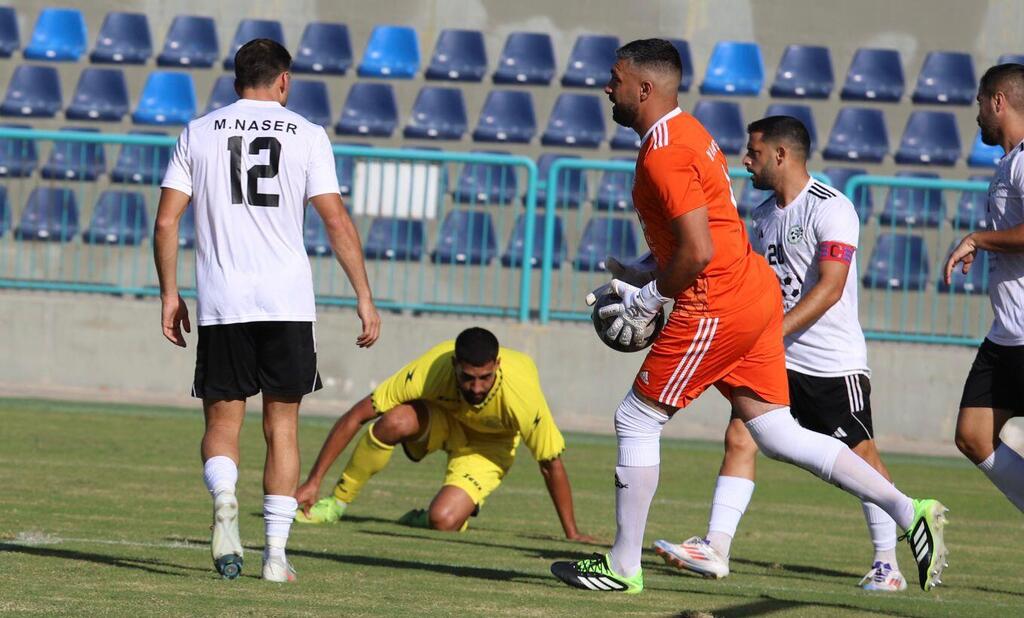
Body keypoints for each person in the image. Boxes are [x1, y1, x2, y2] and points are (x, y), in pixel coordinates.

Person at [549, 38, 948, 595]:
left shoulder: (664, 152)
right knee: (776, 433)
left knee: (636, 420)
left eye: (614, 79)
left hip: (715, 301)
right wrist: (642, 268)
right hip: (751, 293)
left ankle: (622, 565)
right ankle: (911, 511)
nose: (606, 88)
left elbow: (697, 252)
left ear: (643, 88)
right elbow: (703, 230)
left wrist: (649, 298)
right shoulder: (688, 133)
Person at [153, 38, 381, 583]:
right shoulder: (306, 134)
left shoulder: (199, 132)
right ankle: (275, 556)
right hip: (286, 301)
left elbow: (166, 222)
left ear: (236, 82)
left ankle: (225, 498)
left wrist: (169, 293)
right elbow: (335, 221)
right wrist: (363, 296)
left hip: (224, 299)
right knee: (282, 426)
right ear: (283, 82)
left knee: (222, 421)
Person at [653, 115, 906, 591]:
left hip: (832, 360)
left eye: (753, 152)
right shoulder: (763, 214)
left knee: (862, 455)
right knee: (740, 436)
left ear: (781, 155)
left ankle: (888, 564)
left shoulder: (832, 208)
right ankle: (716, 547)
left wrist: (769, 332)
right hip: (777, 355)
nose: (745, 160)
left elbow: (830, 290)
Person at [293, 327, 592, 541]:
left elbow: (551, 464)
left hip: (489, 447)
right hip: (444, 421)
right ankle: (336, 505)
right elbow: (357, 415)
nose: (476, 388)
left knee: (443, 520)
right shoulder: (432, 367)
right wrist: (314, 481)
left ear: (497, 366)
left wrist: (572, 533)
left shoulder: (522, 395)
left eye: (485, 378)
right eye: (468, 378)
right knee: (393, 420)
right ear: (454, 365)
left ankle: (427, 516)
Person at [946, 62, 1024, 514]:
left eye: (979, 101)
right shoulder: (1008, 163)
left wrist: (978, 238)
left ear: (998, 101)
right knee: (973, 435)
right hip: (1005, 335)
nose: (976, 113)